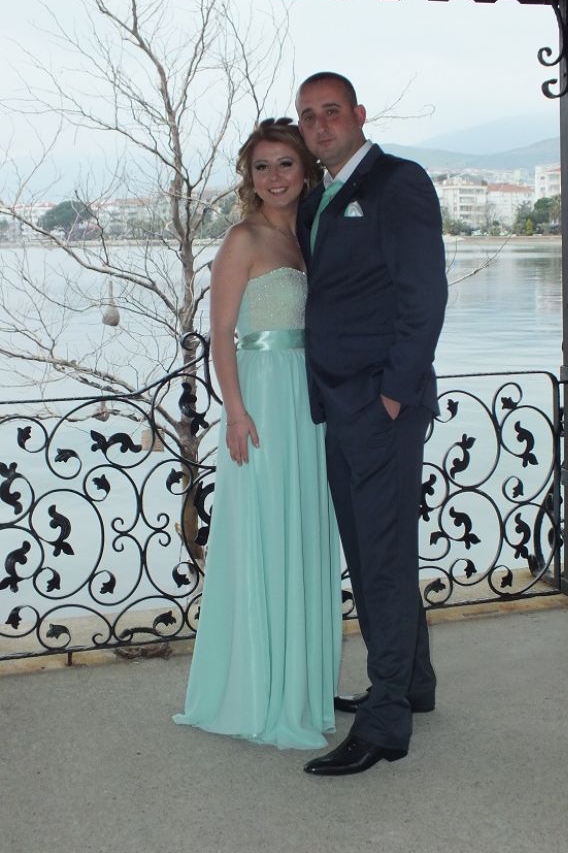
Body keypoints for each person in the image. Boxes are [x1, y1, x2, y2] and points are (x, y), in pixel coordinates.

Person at [295, 73, 447, 775]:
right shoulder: (318, 198)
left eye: (331, 112)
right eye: (308, 116)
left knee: (381, 561)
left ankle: (385, 723)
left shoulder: (397, 182)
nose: (320, 126)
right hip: (338, 402)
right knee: (372, 552)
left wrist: (392, 394)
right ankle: (412, 682)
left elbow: (425, 296)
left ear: (358, 114)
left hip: (379, 405)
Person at [173, 118, 342, 750]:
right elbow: (221, 334)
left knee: (301, 530)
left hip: (308, 398)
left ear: (305, 171)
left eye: (285, 164)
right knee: (265, 531)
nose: (274, 177)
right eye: (261, 166)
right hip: (263, 401)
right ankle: (256, 688)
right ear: (249, 176)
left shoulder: (309, 236)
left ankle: (299, 683)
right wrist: (236, 412)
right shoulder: (241, 238)